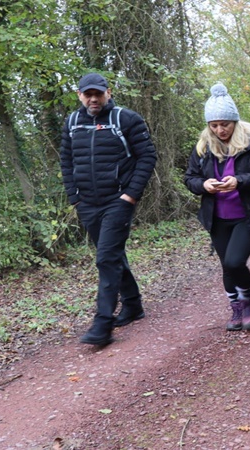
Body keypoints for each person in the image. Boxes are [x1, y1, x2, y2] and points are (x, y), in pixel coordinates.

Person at [60, 73, 157, 346]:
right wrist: (74, 197)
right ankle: (133, 304)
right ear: (79, 95)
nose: (93, 99)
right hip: (87, 203)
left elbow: (148, 156)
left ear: (108, 93)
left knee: (105, 258)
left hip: (118, 200)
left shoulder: (126, 119)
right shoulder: (71, 122)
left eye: (98, 94)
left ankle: (102, 323)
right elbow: (66, 161)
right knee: (112, 255)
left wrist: (130, 195)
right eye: (87, 94)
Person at [184, 83, 250, 331]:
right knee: (226, 264)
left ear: (234, 122)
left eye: (224, 124)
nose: (220, 129)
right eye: (214, 125)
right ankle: (236, 306)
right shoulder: (203, 147)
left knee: (235, 262)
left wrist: (240, 182)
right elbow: (190, 179)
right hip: (217, 217)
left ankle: (249, 300)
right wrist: (204, 184)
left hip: (248, 216)